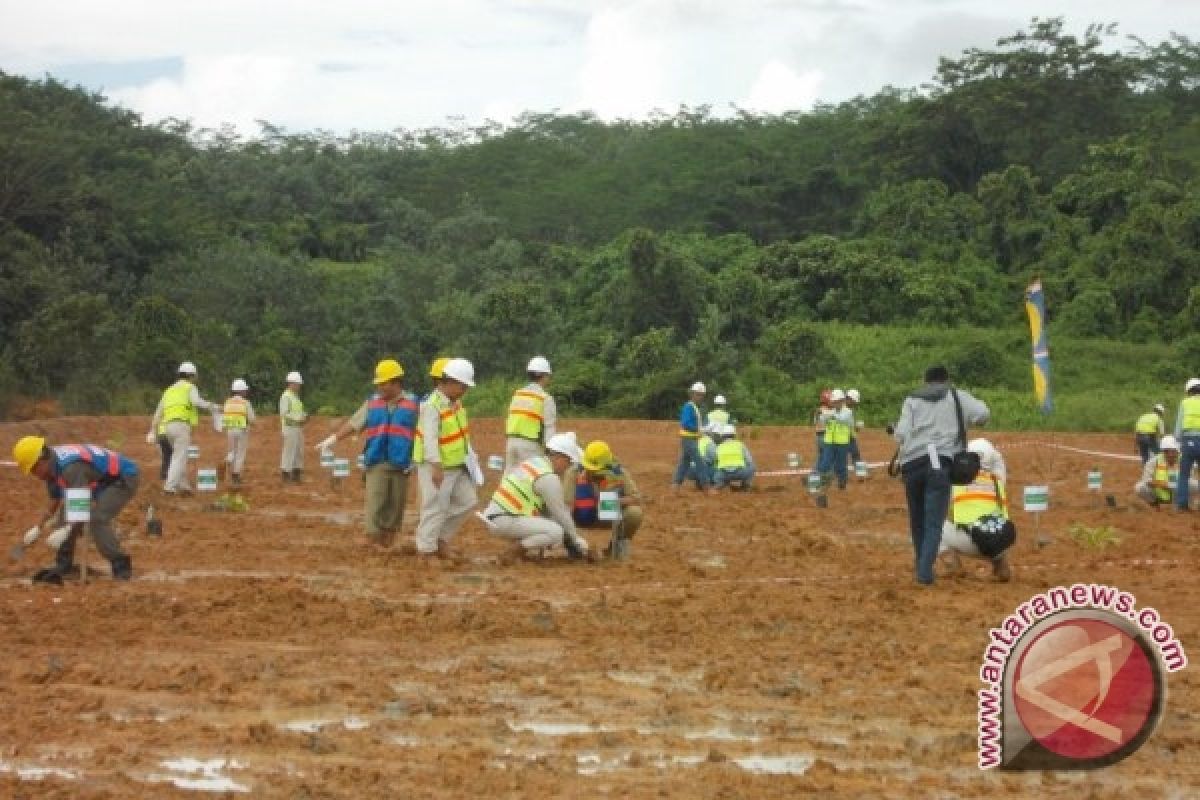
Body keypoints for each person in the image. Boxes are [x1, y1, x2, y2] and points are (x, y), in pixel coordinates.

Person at [893, 365, 990, 586]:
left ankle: (921, 565)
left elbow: (901, 433)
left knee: (916, 520)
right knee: (933, 522)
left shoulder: (912, 399)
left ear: (925, 381)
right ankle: (924, 573)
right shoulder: (957, 396)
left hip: (912, 464)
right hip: (939, 463)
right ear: (947, 380)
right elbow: (983, 414)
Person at [316, 359, 418, 548]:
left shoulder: (413, 404)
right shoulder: (372, 403)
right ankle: (372, 538)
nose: (380, 387)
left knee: (396, 505)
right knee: (375, 500)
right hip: (377, 460)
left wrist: (418, 458)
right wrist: (333, 439)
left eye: (384, 383)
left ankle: (389, 540)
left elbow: (423, 432)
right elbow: (355, 423)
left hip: (402, 462)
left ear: (396, 383)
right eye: (378, 384)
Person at [12, 436, 138, 584]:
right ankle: (64, 565)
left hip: (121, 478)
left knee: (96, 519)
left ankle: (121, 565)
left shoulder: (71, 468)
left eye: (34, 469)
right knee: (65, 515)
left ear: (42, 460)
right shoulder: (51, 467)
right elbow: (55, 499)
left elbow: (80, 508)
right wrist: (38, 527)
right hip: (99, 480)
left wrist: (66, 530)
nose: (34, 475)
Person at [482, 433, 591, 561]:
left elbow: (547, 511)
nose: (567, 467)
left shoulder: (535, 463)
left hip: (496, 516)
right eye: (568, 462)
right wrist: (576, 540)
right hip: (505, 520)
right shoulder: (548, 477)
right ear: (559, 457)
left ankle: (521, 549)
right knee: (555, 532)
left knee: (552, 524)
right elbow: (561, 513)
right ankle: (515, 551)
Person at [413, 358, 478, 558]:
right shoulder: (432, 405)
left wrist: (471, 459)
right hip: (438, 465)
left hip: (458, 463)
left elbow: (461, 433)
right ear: (448, 381)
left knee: (468, 501)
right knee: (435, 507)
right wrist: (436, 466)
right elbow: (430, 439)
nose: (464, 390)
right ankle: (426, 551)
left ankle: (440, 539)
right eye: (462, 386)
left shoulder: (456, 403)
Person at [939, 439, 1014, 582]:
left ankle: (952, 565)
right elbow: (998, 461)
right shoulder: (998, 480)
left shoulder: (957, 480)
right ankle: (1000, 566)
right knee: (995, 527)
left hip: (966, 540)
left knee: (932, 527)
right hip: (996, 543)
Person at [146, 361, 217, 495]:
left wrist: (153, 431)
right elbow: (196, 402)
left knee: (179, 456)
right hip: (180, 426)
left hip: (167, 427)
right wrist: (212, 406)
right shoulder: (189, 387)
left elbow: (157, 414)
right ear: (191, 375)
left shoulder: (169, 390)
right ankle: (169, 488)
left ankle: (184, 486)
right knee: (179, 457)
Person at [566, 440, 644, 560]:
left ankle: (616, 546)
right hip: (580, 515)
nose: (592, 471)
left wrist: (613, 501)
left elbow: (636, 498)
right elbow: (566, 504)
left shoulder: (619, 473)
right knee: (560, 512)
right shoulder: (573, 473)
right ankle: (573, 547)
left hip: (608, 513)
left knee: (634, 513)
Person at [503, 356, 558, 471]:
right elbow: (550, 429)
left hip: (511, 443)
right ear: (544, 376)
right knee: (530, 481)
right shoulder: (545, 398)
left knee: (509, 481)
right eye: (548, 375)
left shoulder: (518, 394)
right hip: (530, 446)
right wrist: (551, 451)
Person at [672, 381, 714, 493]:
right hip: (688, 438)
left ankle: (675, 485)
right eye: (698, 394)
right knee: (700, 462)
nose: (700, 397)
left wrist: (701, 430)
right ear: (692, 394)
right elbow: (685, 423)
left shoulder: (693, 407)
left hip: (691, 438)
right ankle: (707, 487)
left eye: (701, 395)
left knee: (684, 463)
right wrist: (698, 429)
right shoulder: (689, 406)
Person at [1137, 435, 1199, 508]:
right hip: (1160, 492)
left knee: (1194, 484)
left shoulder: (1185, 461)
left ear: (1178, 451)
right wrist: (1165, 484)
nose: (1171, 454)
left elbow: (1190, 479)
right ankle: (1154, 504)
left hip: (1178, 492)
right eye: (1167, 451)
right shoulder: (1154, 461)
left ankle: (1184, 504)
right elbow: (1146, 480)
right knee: (1140, 487)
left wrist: (1177, 485)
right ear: (1163, 451)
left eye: (1173, 451)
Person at [817, 389, 854, 490]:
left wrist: (829, 414)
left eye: (837, 401)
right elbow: (822, 421)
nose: (835, 403)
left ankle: (842, 484)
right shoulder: (831, 411)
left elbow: (842, 419)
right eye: (834, 401)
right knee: (825, 463)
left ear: (842, 401)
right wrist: (822, 415)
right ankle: (823, 483)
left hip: (842, 442)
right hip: (829, 442)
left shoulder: (848, 412)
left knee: (841, 465)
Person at [222, 378, 256, 486]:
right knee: (240, 453)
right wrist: (253, 423)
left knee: (232, 451)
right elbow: (251, 419)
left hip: (230, 430)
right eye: (245, 390)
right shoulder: (245, 402)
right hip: (242, 430)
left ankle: (227, 459)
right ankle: (235, 475)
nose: (246, 392)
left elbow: (224, 417)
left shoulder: (227, 402)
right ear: (241, 391)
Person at [1175, 378, 1200, 512]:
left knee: (1184, 475)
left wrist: (1178, 440)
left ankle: (1182, 505)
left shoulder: (1185, 402)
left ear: (1188, 390)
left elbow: (1179, 426)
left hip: (1189, 440)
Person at [279, 371, 308, 483]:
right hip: (289, 427)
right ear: (291, 383)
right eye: (297, 384)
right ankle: (286, 474)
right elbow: (284, 413)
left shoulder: (294, 397)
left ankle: (296, 474)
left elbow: (298, 411)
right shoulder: (285, 396)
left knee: (298, 450)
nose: (299, 386)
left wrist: (304, 416)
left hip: (297, 427)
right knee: (289, 451)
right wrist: (298, 418)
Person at [712, 425, 756, 491]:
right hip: (740, 473)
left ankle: (722, 485)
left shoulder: (719, 447)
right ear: (734, 435)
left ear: (722, 436)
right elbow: (749, 460)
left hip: (724, 475)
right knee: (752, 466)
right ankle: (746, 485)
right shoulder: (740, 445)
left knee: (716, 472)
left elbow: (715, 463)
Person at [812, 389, 832, 470]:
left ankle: (814, 475)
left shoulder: (818, 410)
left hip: (818, 436)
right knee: (828, 457)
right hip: (825, 436)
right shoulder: (827, 412)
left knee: (821, 457)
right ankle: (824, 475)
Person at [846, 389, 865, 465]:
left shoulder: (850, 409)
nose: (855, 403)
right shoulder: (842, 408)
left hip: (850, 437)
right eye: (854, 401)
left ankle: (861, 474)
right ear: (849, 399)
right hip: (842, 438)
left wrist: (856, 427)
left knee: (856, 454)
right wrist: (856, 427)